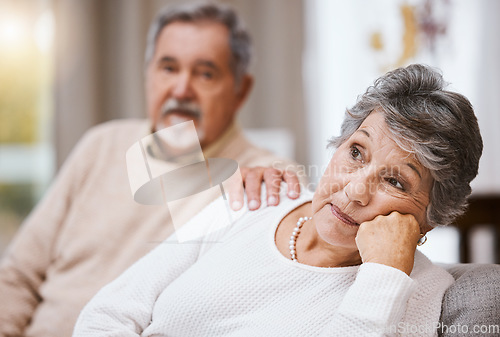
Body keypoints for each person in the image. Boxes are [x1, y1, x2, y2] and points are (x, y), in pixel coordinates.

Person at [73, 64, 483, 337]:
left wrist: (384, 277)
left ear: (430, 216)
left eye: (394, 180)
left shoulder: (414, 291)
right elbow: (108, 313)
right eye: (356, 151)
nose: (355, 189)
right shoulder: (258, 199)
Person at [0, 3, 303, 336]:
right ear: (148, 74)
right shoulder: (101, 145)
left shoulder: (269, 181)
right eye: (168, 68)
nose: (181, 89)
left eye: (205, 73)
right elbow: (18, 276)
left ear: (240, 90)